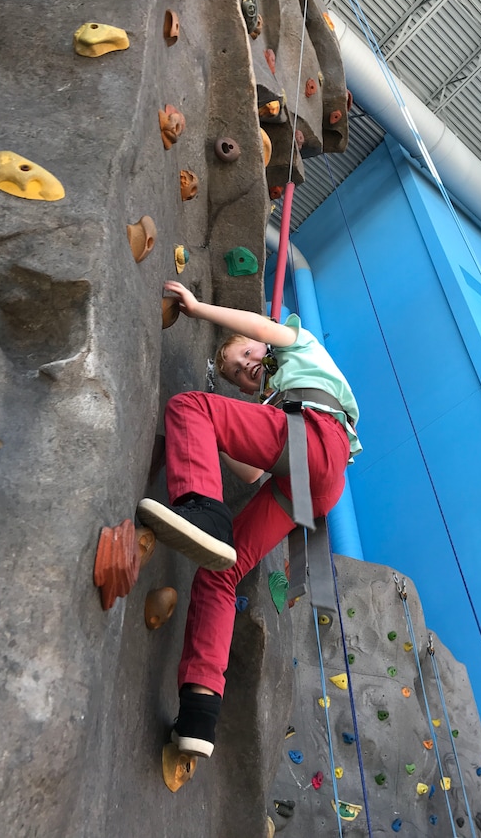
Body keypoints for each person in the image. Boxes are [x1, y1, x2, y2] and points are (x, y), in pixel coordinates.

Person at [137, 280, 361, 759]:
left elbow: (260, 327)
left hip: (315, 440)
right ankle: (200, 711)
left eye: (242, 355)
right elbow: (254, 469)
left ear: (259, 343)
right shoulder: (271, 403)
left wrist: (198, 310)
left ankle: (201, 511)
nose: (243, 368)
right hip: (311, 486)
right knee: (222, 573)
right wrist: (215, 436)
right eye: (239, 376)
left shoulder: (297, 345)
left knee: (189, 407)